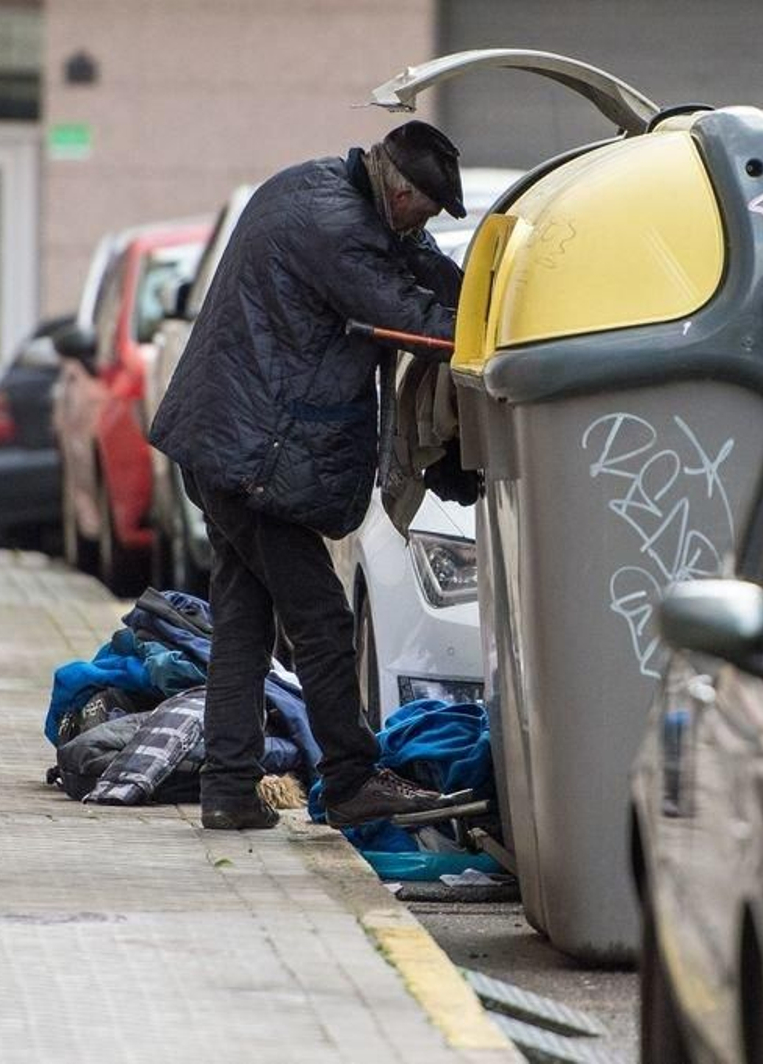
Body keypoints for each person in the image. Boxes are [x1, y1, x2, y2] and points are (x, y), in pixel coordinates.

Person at [150, 121, 468, 830]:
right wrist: (490, 328)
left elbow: (422, 264)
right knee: (324, 621)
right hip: (249, 455)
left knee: (242, 621)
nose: (425, 223)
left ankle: (229, 789)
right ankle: (352, 779)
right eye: (425, 208)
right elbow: (407, 312)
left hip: (224, 442)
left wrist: (481, 284)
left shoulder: (323, 187)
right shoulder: (339, 228)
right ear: (399, 188)